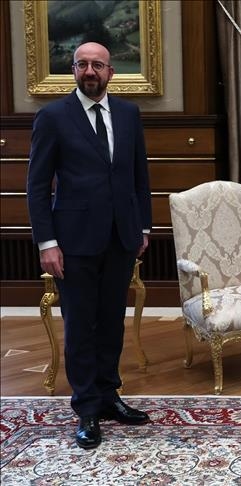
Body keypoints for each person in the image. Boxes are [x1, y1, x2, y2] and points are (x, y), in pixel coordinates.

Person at [27, 42, 153, 450]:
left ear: (110, 72)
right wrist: (47, 243)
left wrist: (143, 227)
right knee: (81, 325)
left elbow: (139, 175)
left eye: (97, 64)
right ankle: (86, 408)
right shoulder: (53, 117)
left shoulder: (129, 114)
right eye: (82, 64)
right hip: (73, 241)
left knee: (111, 320)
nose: (90, 71)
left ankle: (109, 394)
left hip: (121, 237)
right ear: (73, 71)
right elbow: (36, 186)